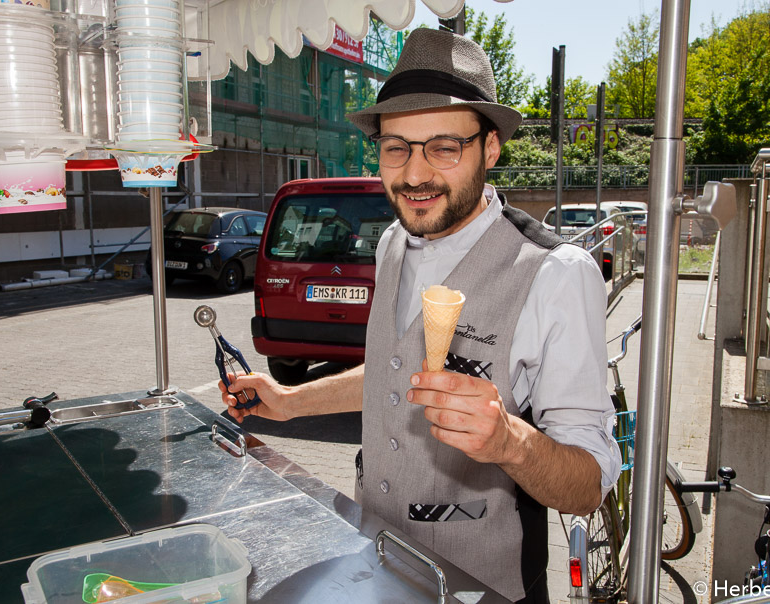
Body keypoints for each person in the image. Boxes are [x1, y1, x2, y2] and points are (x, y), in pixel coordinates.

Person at [220, 28, 621, 603]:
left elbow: (589, 485)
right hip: (376, 560)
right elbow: (394, 374)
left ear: (490, 148)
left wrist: (510, 440)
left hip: (484, 586)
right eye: (396, 147)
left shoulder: (556, 272)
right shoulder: (391, 243)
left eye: (444, 147)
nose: (414, 174)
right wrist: (288, 402)